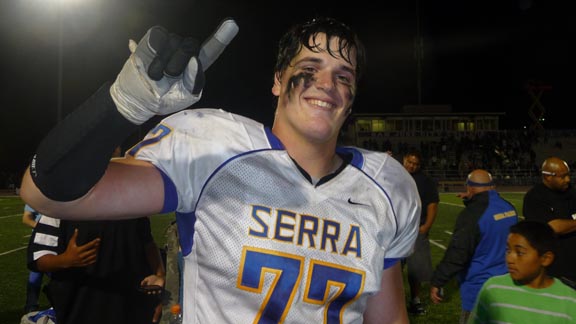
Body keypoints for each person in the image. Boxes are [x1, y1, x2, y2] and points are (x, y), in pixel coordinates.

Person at [20, 17, 421, 323]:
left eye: (343, 76)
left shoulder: (387, 186)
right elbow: (47, 192)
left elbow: (388, 318)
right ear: (278, 81)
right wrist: (123, 105)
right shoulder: (217, 147)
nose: (326, 84)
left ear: (351, 99)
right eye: (310, 68)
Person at [26, 147, 166, 324]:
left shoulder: (132, 204)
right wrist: (66, 259)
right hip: (80, 309)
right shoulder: (60, 206)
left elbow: (148, 244)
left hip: (131, 308)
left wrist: (160, 277)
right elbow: (38, 257)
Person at [429, 169, 518, 324]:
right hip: (507, 283)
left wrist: (438, 280)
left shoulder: (472, 215)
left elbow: (458, 254)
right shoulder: (509, 207)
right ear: (492, 186)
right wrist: (472, 201)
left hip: (479, 288)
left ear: (469, 187)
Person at [468, 221, 576, 323]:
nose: (510, 258)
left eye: (520, 253)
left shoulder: (569, 301)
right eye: (508, 250)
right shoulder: (492, 289)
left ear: (545, 259)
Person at [522, 156, 576, 289]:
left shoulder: (571, 192)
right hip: (557, 271)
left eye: (568, 175)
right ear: (547, 177)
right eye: (562, 176)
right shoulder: (535, 197)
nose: (567, 180)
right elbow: (553, 227)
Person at [402, 151, 439, 315]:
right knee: (391, 269)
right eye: (410, 162)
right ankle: (391, 300)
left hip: (416, 230)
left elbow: (432, 204)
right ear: (404, 160)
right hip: (396, 232)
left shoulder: (426, 181)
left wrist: (426, 227)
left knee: (416, 269)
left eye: (416, 164)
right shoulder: (395, 174)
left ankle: (415, 300)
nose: (412, 166)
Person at [22, 204, 44, 313]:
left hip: (59, 241)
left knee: (59, 275)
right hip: (39, 241)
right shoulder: (37, 198)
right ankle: (31, 305)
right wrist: (43, 228)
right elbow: (26, 218)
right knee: (35, 274)